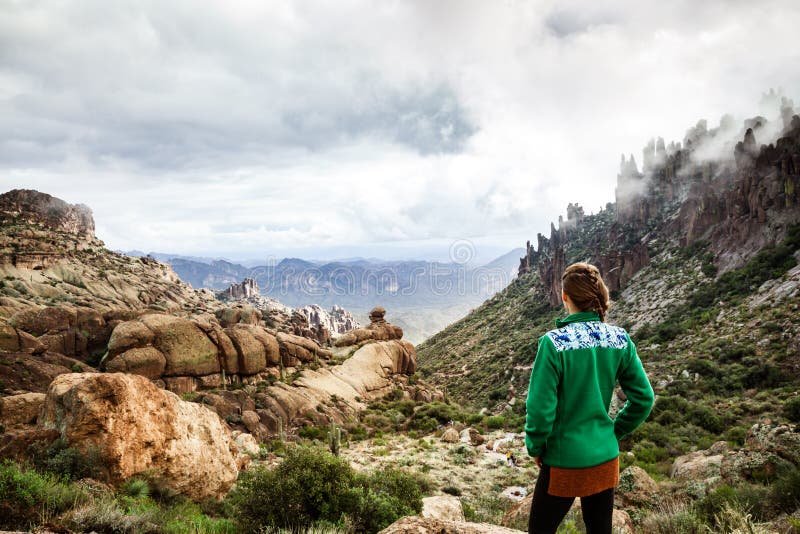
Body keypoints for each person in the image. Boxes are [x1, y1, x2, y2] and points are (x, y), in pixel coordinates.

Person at [524, 262, 655, 534]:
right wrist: (613, 432)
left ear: (565, 297)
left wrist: (535, 447)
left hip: (563, 459)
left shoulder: (553, 343)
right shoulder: (620, 339)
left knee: (540, 529)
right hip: (604, 458)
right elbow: (644, 398)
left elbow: (540, 411)